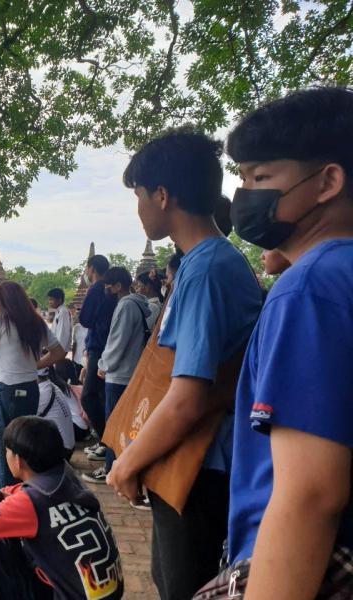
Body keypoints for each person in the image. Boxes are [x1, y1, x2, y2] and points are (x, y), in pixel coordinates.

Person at [197, 87, 353, 599]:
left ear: (329, 181)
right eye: (242, 178)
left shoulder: (309, 286)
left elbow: (311, 494)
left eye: (261, 177)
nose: (244, 196)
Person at [107, 128, 262, 600]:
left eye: (138, 194)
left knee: (183, 586)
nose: (137, 207)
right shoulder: (203, 264)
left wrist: (127, 464)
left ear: (161, 194)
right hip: (196, 464)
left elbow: (188, 397)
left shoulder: (209, 271)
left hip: (201, 469)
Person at [0, 416, 123, 600]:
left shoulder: (30, 503)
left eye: (7, 451)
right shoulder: (68, 477)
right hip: (103, 592)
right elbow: (21, 491)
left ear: (18, 461)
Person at [0, 281, 66, 489]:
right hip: (30, 388)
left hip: (5, 388)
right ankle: (25, 489)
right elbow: (59, 352)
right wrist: (35, 366)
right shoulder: (36, 322)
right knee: (25, 441)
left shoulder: (0, 322)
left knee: (1, 444)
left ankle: (3, 493)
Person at [83, 267, 150, 484]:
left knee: (115, 424)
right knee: (123, 424)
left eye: (109, 286)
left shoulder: (127, 305)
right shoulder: (139, 305)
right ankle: (119, 465)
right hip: (128, 371)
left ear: (119, 285)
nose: (107, 290)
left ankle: (112, 467)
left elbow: (117, 341)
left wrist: (104, 364)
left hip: (119, 374)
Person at [77, 254, 117, 461]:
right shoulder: (107, 289)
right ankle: (106, 442)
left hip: (98, 347)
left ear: (92, 268)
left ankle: (106, 441)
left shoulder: (97, 288)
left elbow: (84, 318)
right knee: (100, 397)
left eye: (87, 267)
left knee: (89, 397)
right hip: (103, 345)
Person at [47, 288, 73, 383]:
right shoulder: (59, 311)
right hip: (57, 349)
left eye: (52, 299)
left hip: (60, 349)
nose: (50, 302)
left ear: (60, 300)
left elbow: (63, 333)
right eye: (49, 299)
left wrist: (58, 351)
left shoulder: (63, 312)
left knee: (60, 376)